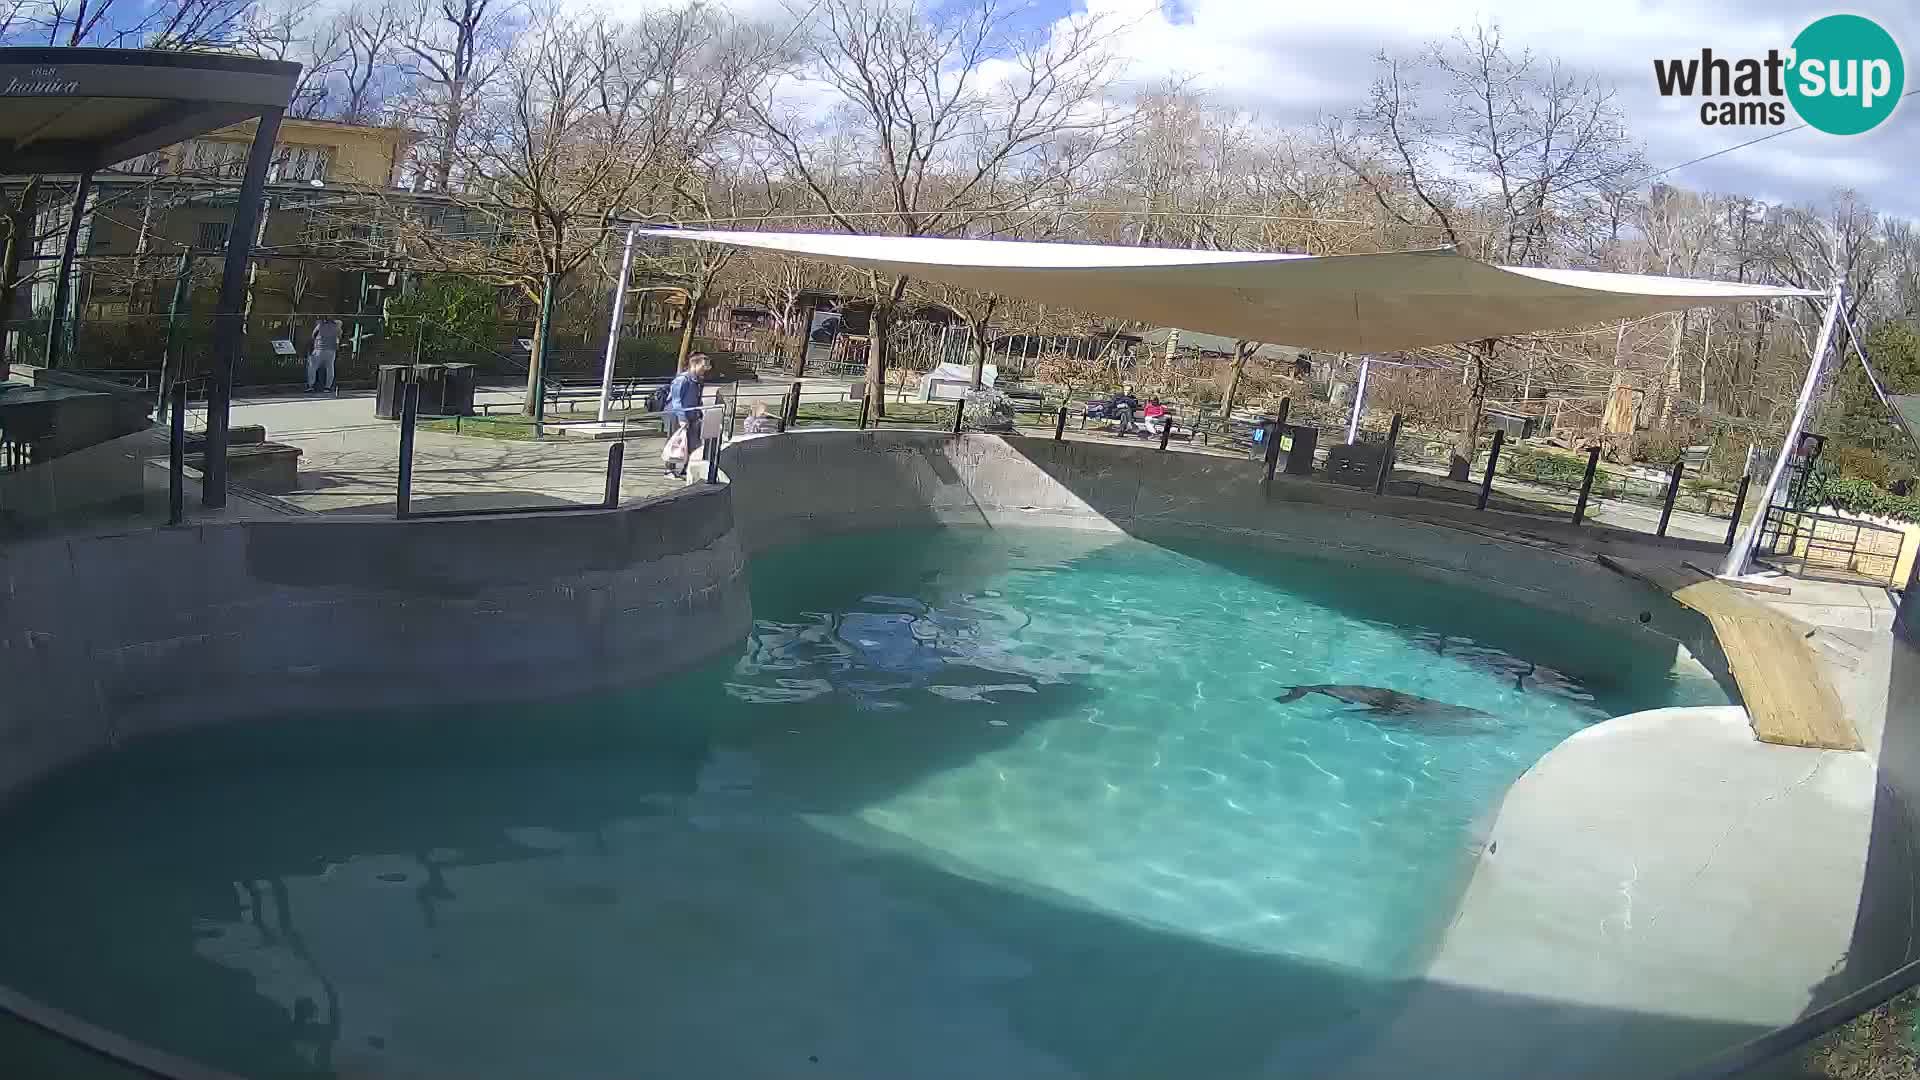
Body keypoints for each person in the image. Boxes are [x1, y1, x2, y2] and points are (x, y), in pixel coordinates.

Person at [664, 353, 711, 478]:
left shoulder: (698, 380)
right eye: (703, 366)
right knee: (675, 440)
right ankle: (669, 469)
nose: (705, 369)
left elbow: (697, 399)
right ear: (694, 365)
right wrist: (682, 417)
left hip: (692, 413)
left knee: (692, 441)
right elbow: (676, 400)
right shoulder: (682, 380)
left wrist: (699, 413)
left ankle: (687, 468)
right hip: (676, 414)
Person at [305, 317, 342, 394]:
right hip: (331, 350)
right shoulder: (337, 327)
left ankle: (311, 385)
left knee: (313, 367)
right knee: (330, 368)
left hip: (319, 349)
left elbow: (313, 335)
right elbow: (338, 338)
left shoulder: (320, 325)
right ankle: (327, 387)